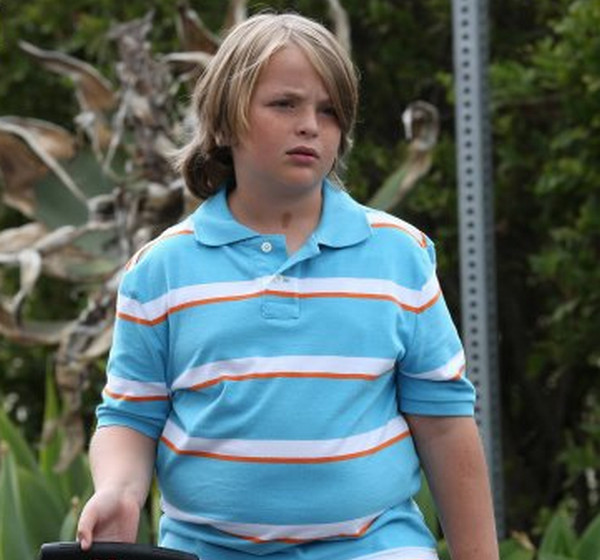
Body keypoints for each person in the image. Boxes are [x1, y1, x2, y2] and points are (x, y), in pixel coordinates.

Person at [77, 12, 499, 560]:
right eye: (285, 104)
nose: (310, 126)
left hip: (373, 546)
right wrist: (118, 489)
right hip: (206, 551)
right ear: (223, 123)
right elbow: (131, 416)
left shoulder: (400, 256)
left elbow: (444, 425)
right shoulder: (160, 270)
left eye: (329, 111)